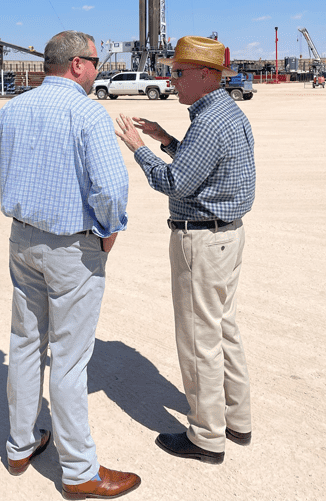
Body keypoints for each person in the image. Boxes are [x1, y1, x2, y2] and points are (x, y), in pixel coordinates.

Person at [0, 30, 141, 499]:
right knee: (68, 357)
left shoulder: (16, 106)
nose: (99, 70)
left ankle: (20, 445)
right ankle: (80, 471)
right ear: (78, 65)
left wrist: (16, 183)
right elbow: (110, 188)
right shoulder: (88, 114)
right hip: (71, 250)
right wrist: (110, 228)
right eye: (97, 62)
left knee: (24, 343)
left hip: (22, 239)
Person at [115, 36, 255, 465]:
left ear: (205, 74)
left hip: (202, 240)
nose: (172, 80)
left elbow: (175, 183)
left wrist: (139, 150)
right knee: (222, 327)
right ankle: (237, 420)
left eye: (178, 73)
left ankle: (206, 437)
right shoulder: (226, 112)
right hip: (226, 235)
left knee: (199, 339)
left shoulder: (210, 121)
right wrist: (165, 139)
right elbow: (206, 169)